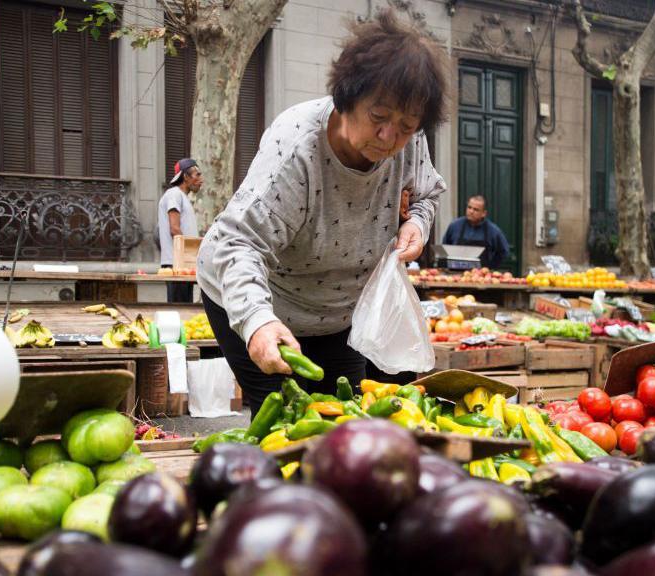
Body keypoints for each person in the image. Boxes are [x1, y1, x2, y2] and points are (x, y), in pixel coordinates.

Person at [195, 10, 449, 412]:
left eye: (405, 125)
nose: (389, 137)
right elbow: (240, 244)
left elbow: (427, 192)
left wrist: (417, 222)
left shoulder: (409, 143)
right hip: (262, 298)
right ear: (347, 97)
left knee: (345, 419)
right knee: (282, 421)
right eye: (378, 117)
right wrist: (258, 322)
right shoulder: (296, 151)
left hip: (337, 314)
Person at [158, 158, 202, 303]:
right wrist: (186, 259)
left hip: (183, 265)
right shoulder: (174, 194)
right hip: (177, 265)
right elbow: (175, 229)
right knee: (179, 311)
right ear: (185, 176)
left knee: (184, 309)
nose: (201, 179)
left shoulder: (182, 197)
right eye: (197, 175)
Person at [441, 195, 510, 269]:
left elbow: (503, 252)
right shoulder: (454, 226)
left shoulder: (493, 231)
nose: (471, 211)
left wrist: (491, 267)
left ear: (484, 213)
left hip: (481, 277)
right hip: (455, 274)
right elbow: (445, 248)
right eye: (469, 207)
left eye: (476, 209)